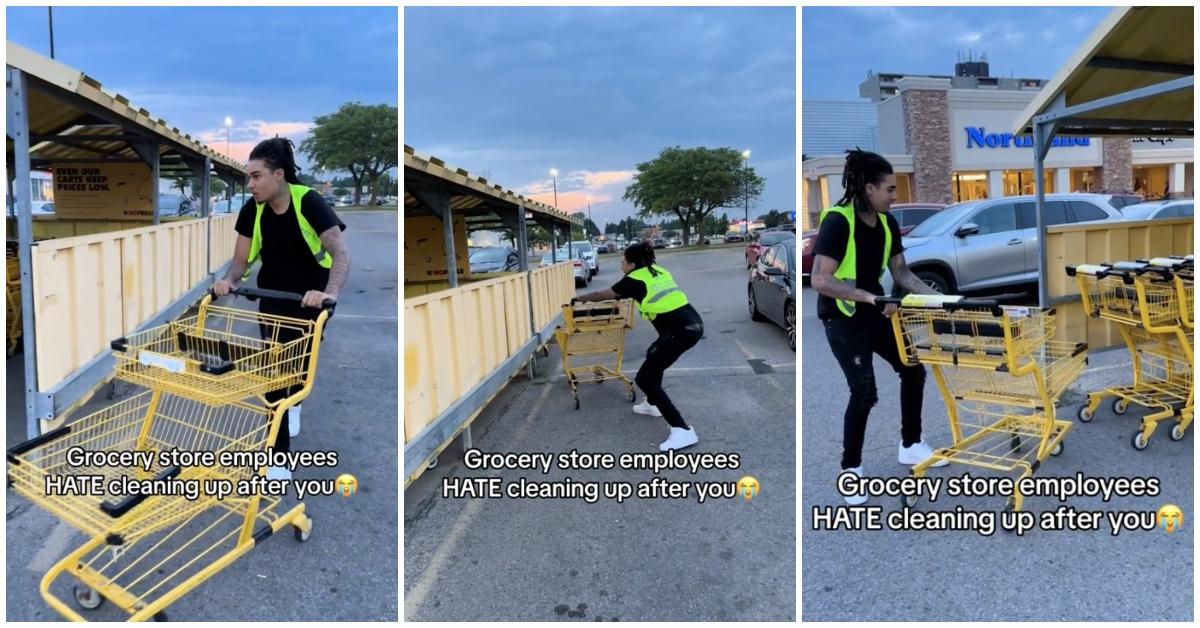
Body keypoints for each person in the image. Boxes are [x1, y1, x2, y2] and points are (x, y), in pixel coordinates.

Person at [810, 149, 944, 506]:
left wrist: (939, 298)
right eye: (889, 189)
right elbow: (820, 279)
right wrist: (870, 298)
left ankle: (911, 444)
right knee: (864, 392)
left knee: (912, 368)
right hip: (842, 316)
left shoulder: (887, 224)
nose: (895, 195)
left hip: (874, 311)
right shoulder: (839, 221)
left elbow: (902, 273)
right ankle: (850, 469)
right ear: (868, 188)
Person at [213, 138, 350, 479]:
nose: (251, 184)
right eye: (249, 177)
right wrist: (228, 281)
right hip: (273, 298)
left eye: (256, 176)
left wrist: (328, 293)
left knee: (300, 370)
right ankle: (277, 456)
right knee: (275, 371)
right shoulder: (252, 209)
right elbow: (240, 260)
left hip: (310, 299)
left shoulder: (309, 203)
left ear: (278, 175)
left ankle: (295, 404)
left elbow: (341, 253)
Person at [574, 242, 704, 451]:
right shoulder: (658, 271)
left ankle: (682, 430)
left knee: (645, 378)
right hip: (692, 324)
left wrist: (579, 299)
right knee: (653, 356)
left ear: (632, 265)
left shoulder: (633, 280)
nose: (620, 265)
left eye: (623, 262)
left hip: (680, 332)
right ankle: (652, 405)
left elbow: (603, 295)